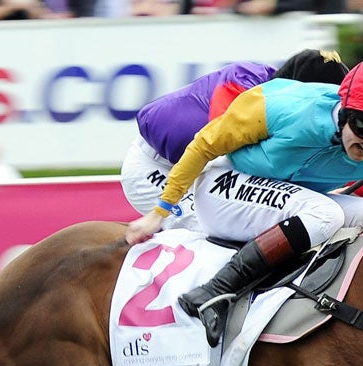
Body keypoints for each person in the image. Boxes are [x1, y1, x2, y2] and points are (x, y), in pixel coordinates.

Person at [125, 56, 363, 347]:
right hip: (220, 188)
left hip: (271, 191)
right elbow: (203, 146)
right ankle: (215, 293)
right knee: (324, 213)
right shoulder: (278, 107)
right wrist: (159, 211)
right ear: (345, 109)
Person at [120, 49, 350, 230]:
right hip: (156, 168)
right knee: (225, 224)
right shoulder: (241, 88)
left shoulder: (284, 96)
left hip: (194, 163)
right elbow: (231, 161)